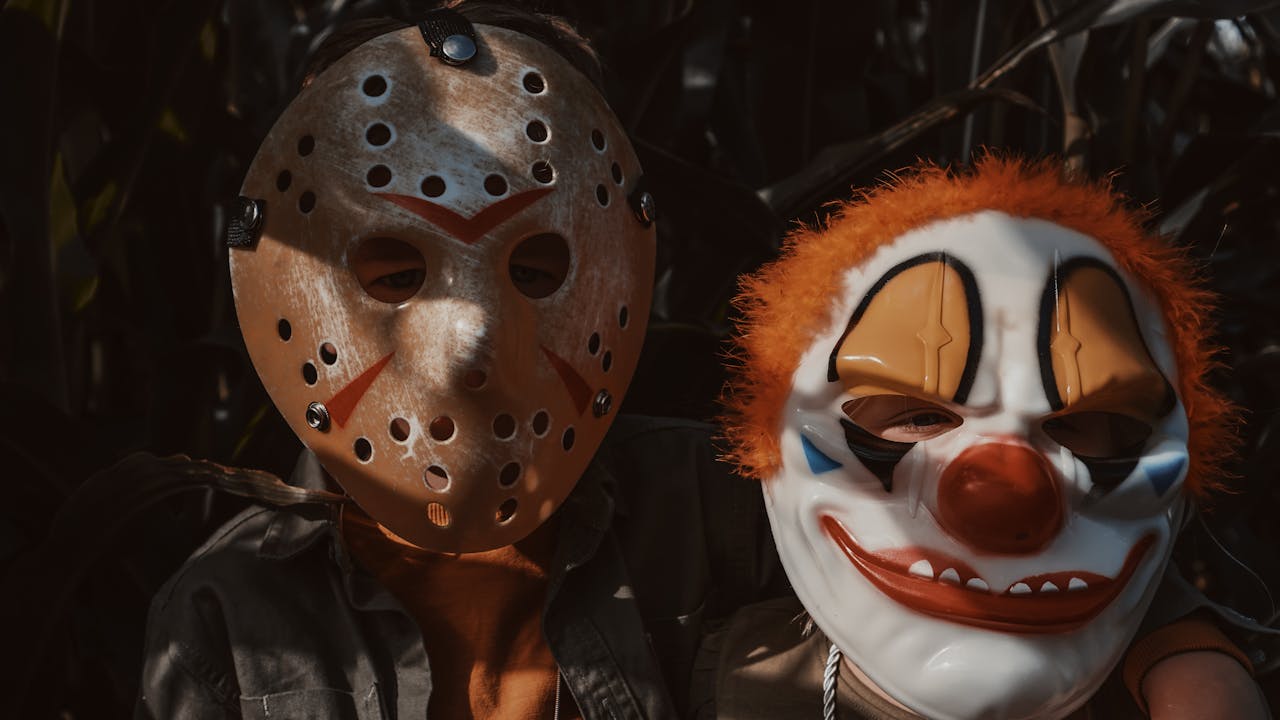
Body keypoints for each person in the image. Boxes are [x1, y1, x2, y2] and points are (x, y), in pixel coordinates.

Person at [135, 5, 781, 718]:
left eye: (535, 274)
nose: (471, 339)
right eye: (395, 277)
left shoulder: (724, 513)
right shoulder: (227, 610)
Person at [707, 156, 1269, 719]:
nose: (1005, 501)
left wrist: (1189, 658)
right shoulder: (707, 658)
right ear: (766, 434)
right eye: (920, 416)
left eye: (1073, 425)